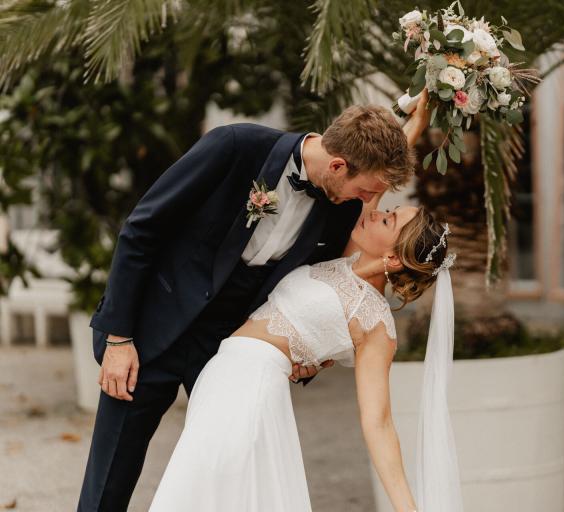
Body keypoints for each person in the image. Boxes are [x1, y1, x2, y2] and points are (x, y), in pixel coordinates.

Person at [78, 94, 430, 511]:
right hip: (149, 333)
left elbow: (337, 283)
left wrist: (304, 351)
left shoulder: (339, 204)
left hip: (226, 351)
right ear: (337, 166)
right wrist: (119, 338)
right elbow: (141, 230)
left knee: (224, 483)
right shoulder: (234, 146)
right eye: (365, 191)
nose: (367, 201)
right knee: (109, 484)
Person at [148, 205, 462, 512]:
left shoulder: (375, 321)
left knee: (192, 491)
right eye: (387, 210)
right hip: (222, 378)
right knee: (204, 492)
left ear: (392, 258)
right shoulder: (345, 261)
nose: (376, 214)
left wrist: (405, 507)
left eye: (388, 220)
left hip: (252, 389)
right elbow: (374, 182)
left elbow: (378, 421)